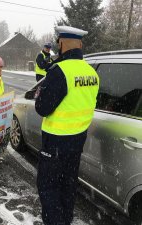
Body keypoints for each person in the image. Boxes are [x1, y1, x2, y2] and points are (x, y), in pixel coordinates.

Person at [35, 26, 99, 225]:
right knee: (68, 184)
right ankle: (65, 219)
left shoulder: (59, 71)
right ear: (80, 45)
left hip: (55, 141)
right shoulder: (91, 72)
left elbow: (42, 108)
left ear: (61, 44)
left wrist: (40, 96)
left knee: (48, 186)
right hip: (77, 139)